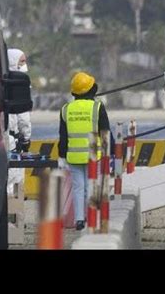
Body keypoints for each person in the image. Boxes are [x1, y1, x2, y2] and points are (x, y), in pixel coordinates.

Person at [57, 72, 113, 231]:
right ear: (92, 89)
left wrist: (61, 157)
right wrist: (109, 154)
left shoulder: (66, 109)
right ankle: (91, 217)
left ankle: (79, 220)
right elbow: (105, 132)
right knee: (91, 186)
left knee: (78, 187)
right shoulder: (97, 107)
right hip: (94, 154)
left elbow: (63, 135)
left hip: (73, 155)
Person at [7, 48, 32, 153]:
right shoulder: (19, 83)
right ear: (12, 61)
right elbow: (23, 118)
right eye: (22, 61)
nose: (24, 64)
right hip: (13, 140)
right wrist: (26, 139)